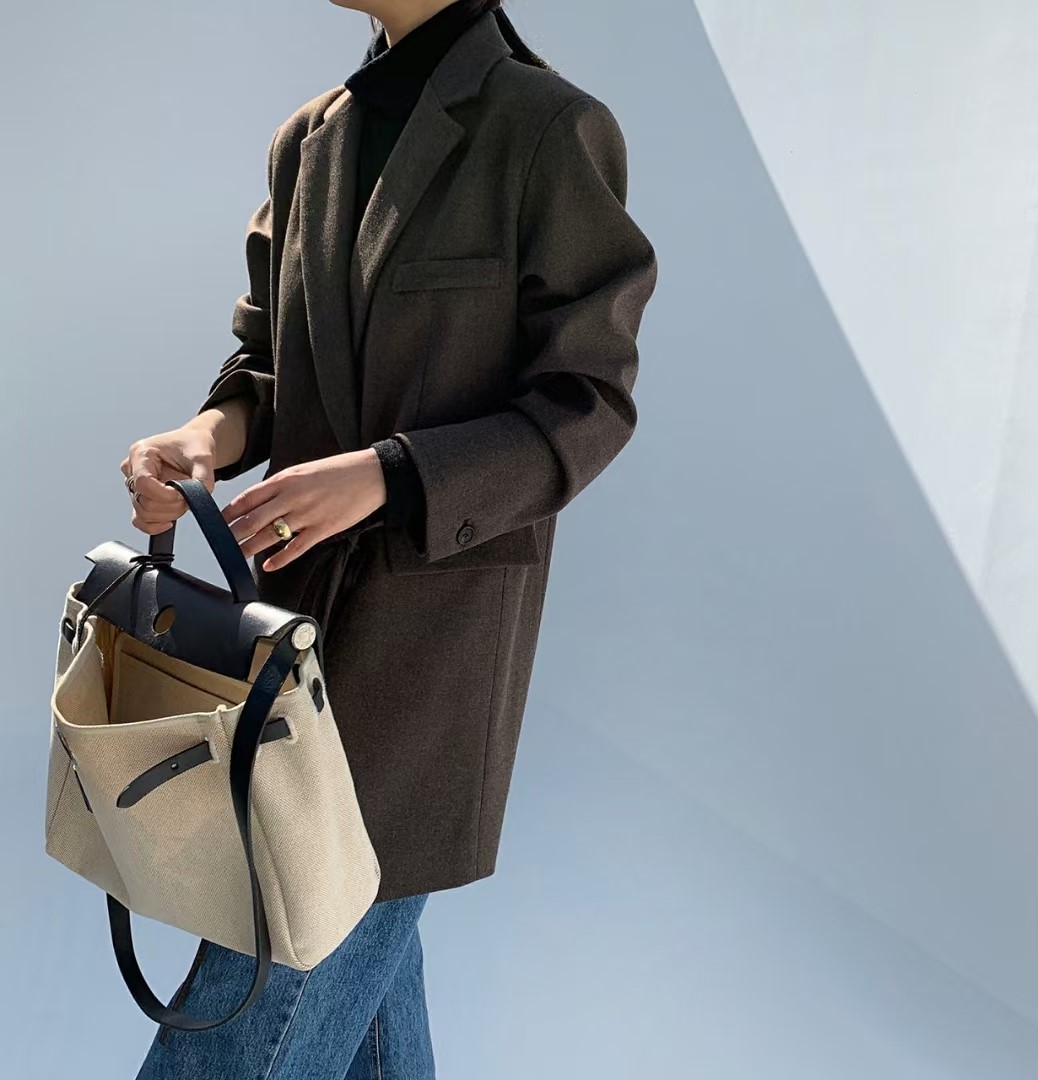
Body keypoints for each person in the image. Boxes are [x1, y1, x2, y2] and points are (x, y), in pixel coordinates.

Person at [122, 1, 659, 1076]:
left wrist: (387, 474)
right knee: (348, 971)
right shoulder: (310, 139)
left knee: (262, 978)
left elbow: (587, 400)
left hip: (433, 636)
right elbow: (267, 361)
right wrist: (206, 437)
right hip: (289, 617)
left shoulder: (550, 130)